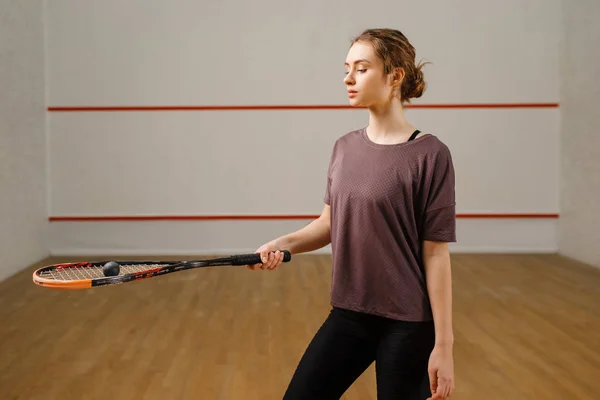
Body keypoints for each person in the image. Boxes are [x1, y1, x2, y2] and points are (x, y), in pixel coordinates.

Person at [246, 28, 456, 400]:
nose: (347, 78)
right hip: (350, 313)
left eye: (361, 69)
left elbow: (436, 253)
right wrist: (279, 244)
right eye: (347, 68)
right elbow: (328, 224)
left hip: (408, 324)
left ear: (395, 76)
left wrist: (444, 345)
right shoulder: (344, 147)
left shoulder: (431, 155)